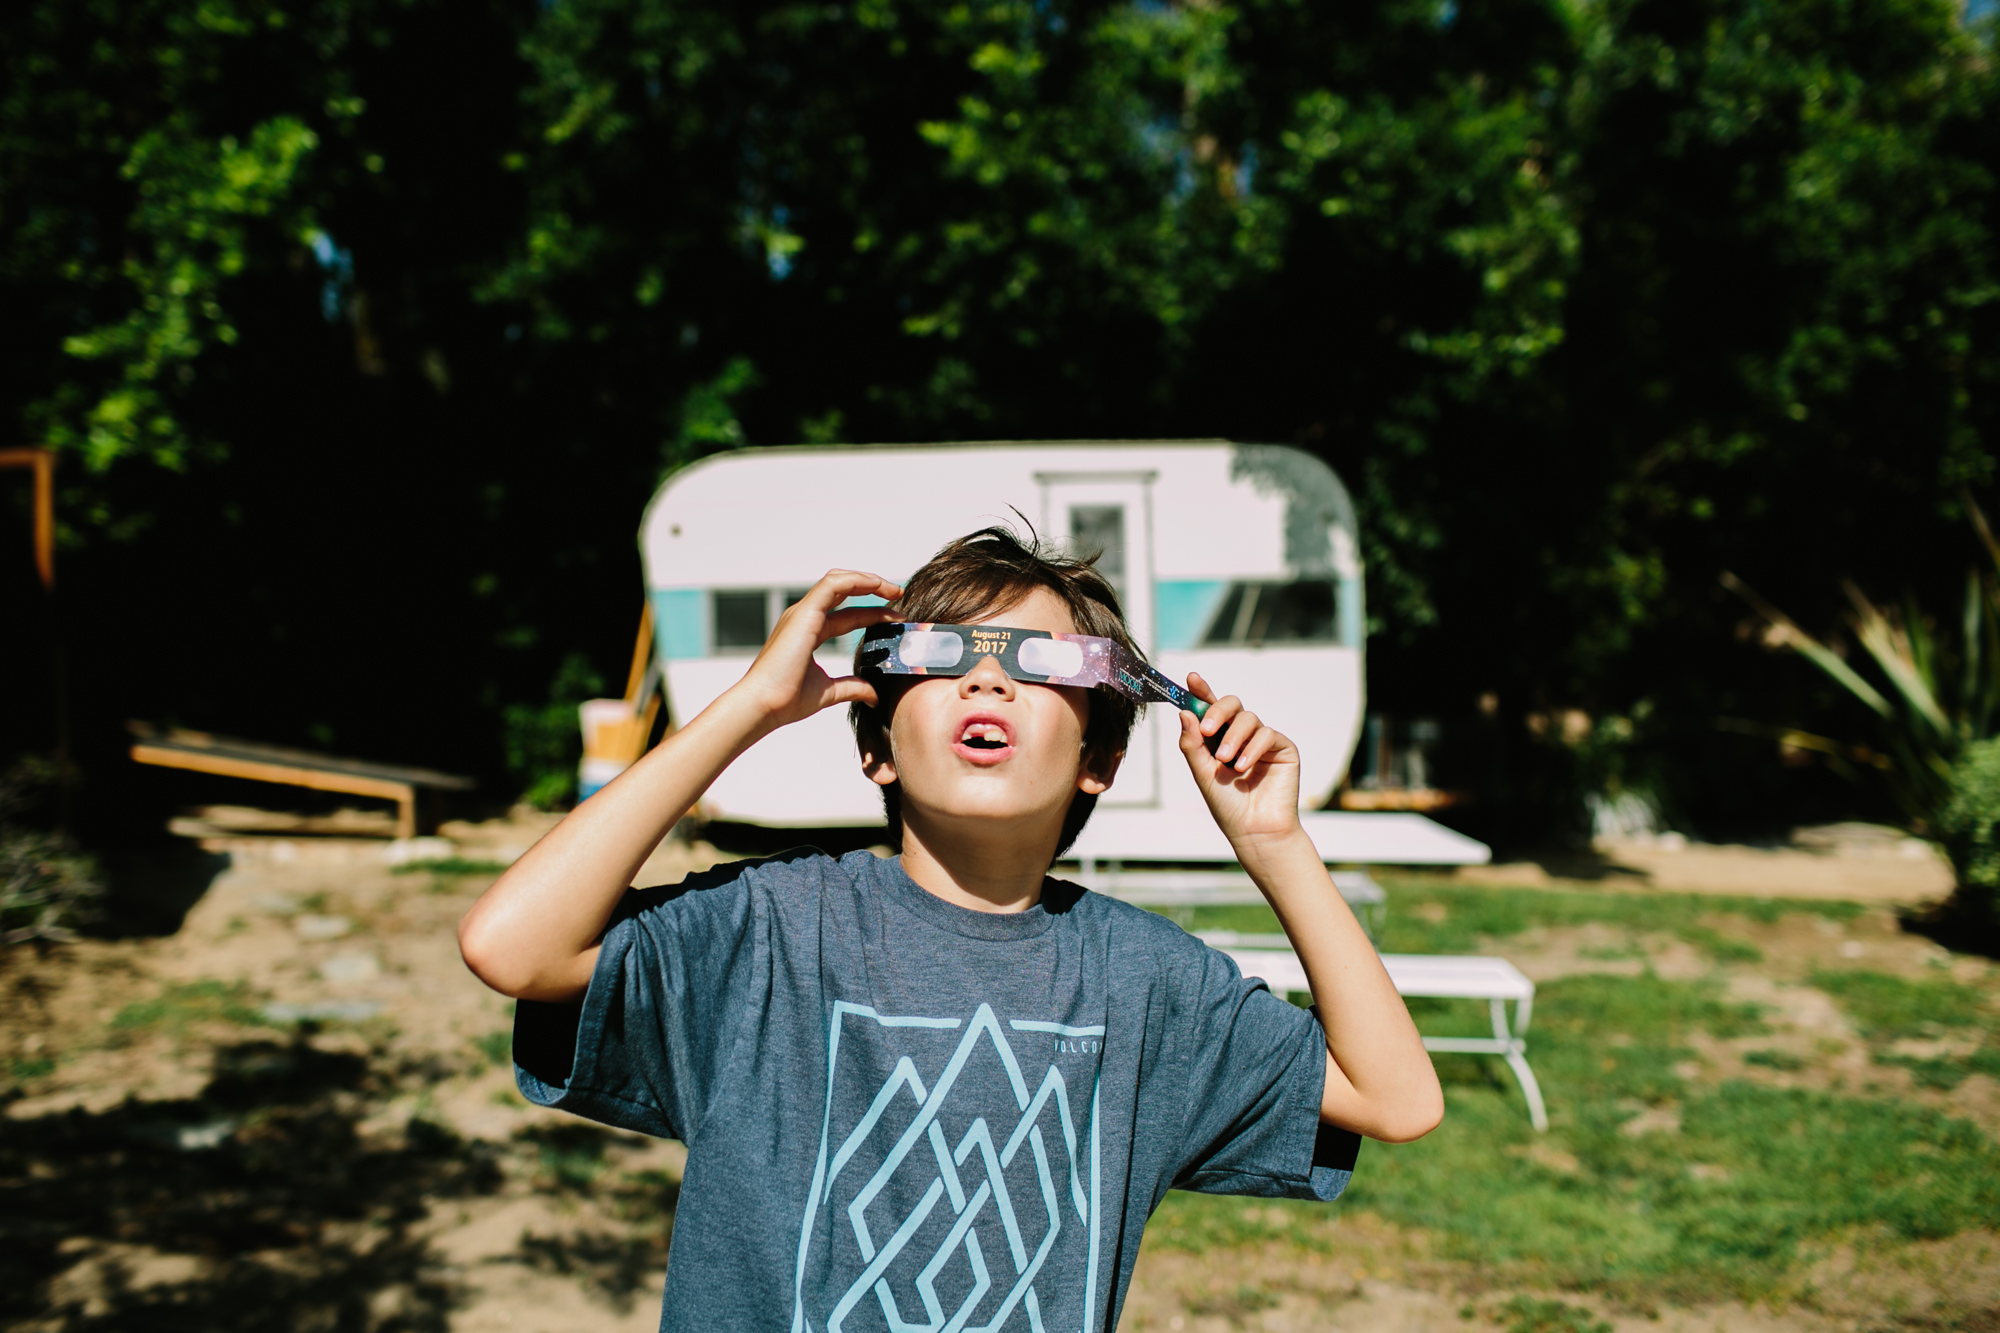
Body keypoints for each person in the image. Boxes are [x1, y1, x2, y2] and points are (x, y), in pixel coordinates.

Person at [458, 527, 1442, 1333]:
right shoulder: (768, 929)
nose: (986, 681)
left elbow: (1394, 1098)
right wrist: (746, 709)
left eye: (1038, 660)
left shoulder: (1147, 983)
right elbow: (512, 946)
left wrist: (1273, 843)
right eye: (939, 656)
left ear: (1099, 751)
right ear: (876, 744)